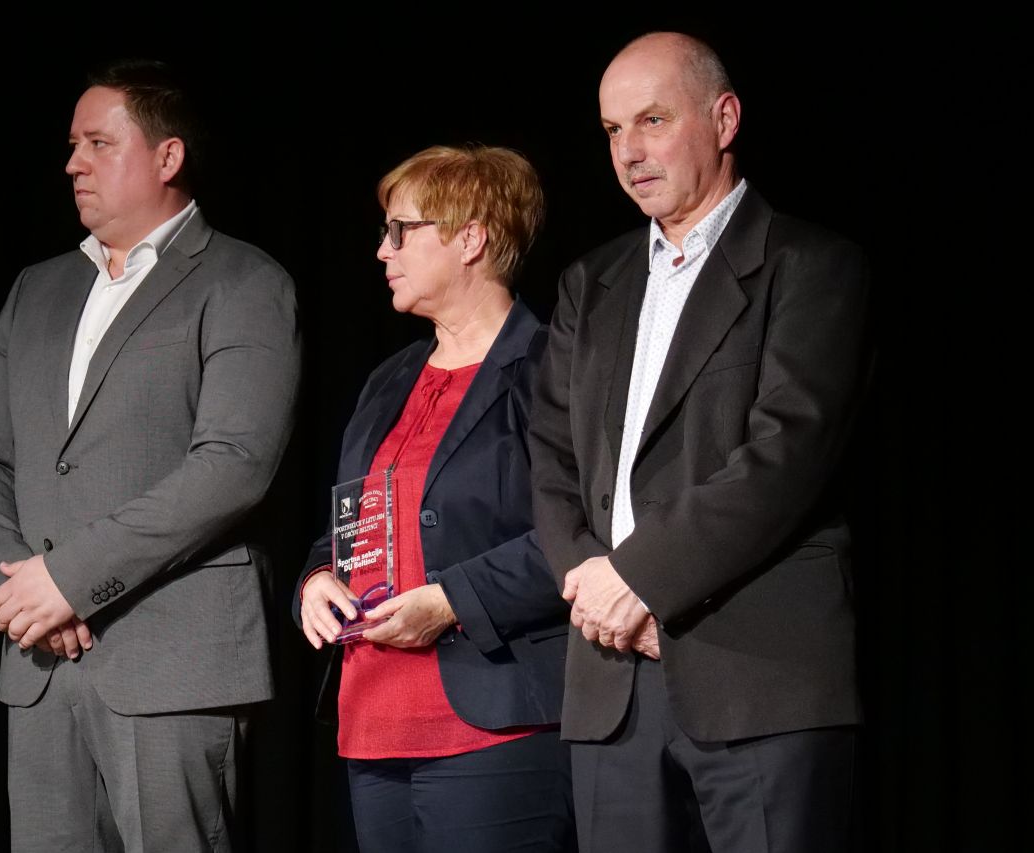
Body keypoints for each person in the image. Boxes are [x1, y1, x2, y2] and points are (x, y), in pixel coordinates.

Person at [528, 32, 871, 853]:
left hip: (756, 676)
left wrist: (639, 580)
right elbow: (551, 455)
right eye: (613, 130)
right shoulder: (591, 282)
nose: (629, 151)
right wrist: (595, 590)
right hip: (612, 679)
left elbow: (784, 457)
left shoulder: (810, 265)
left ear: (724, 119)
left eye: (652, 120)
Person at [0, 59, 300, 852]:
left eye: (98, 143)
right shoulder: (37, 289)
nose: (73, 163)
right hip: (40, 665)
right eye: (73, 145)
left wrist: (69, 579)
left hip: (171, 660)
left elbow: (234, 463)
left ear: (167, 157)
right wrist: (13, 592)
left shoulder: (242, 280)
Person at [296, 145, 575, 853]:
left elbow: (577, 535)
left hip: (494, 722)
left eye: (401, 230)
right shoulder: (390, 378)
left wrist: (452, 600)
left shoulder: (550, 367)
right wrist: (317, 577)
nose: (381, 250)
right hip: (373, 720)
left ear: (470, 238)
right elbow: (351, 519)